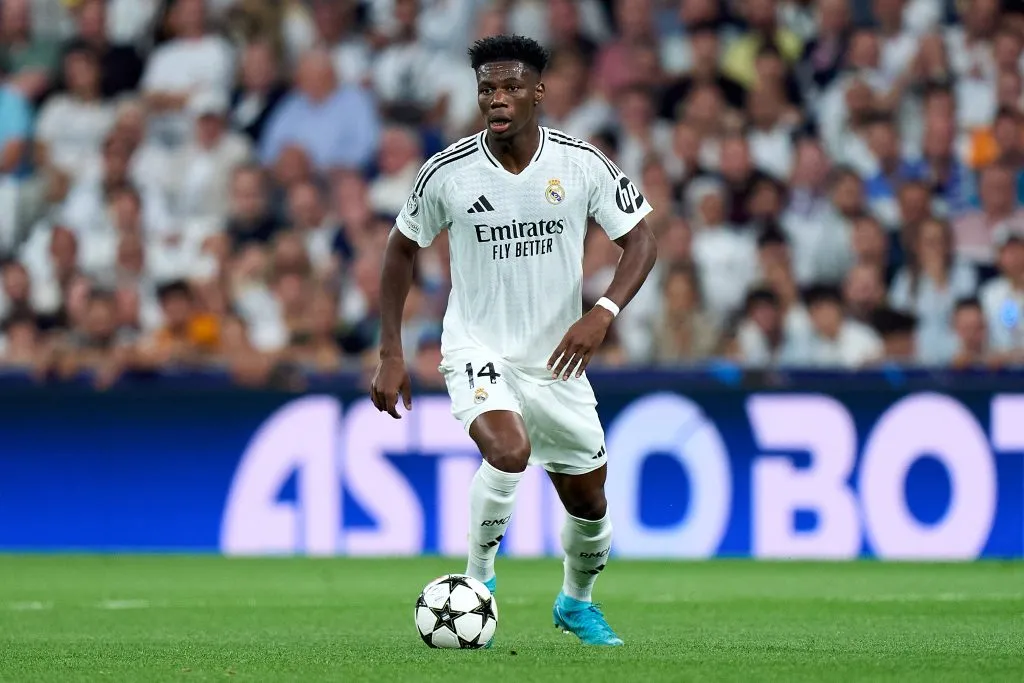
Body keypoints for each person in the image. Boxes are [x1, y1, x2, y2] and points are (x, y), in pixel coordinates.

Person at [369, 35, 657, 647]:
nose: (496, 99)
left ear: (538, 93)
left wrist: (602, 312)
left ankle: (575, 603)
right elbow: (399, 251)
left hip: (557, 360)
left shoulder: (581, 163)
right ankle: (478, 585)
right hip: (477, 345)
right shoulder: (447, 172)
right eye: (486, 89)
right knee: (507, 449)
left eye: (509, 88)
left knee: (590, 503)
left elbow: (643, 241)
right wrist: (392, 352)